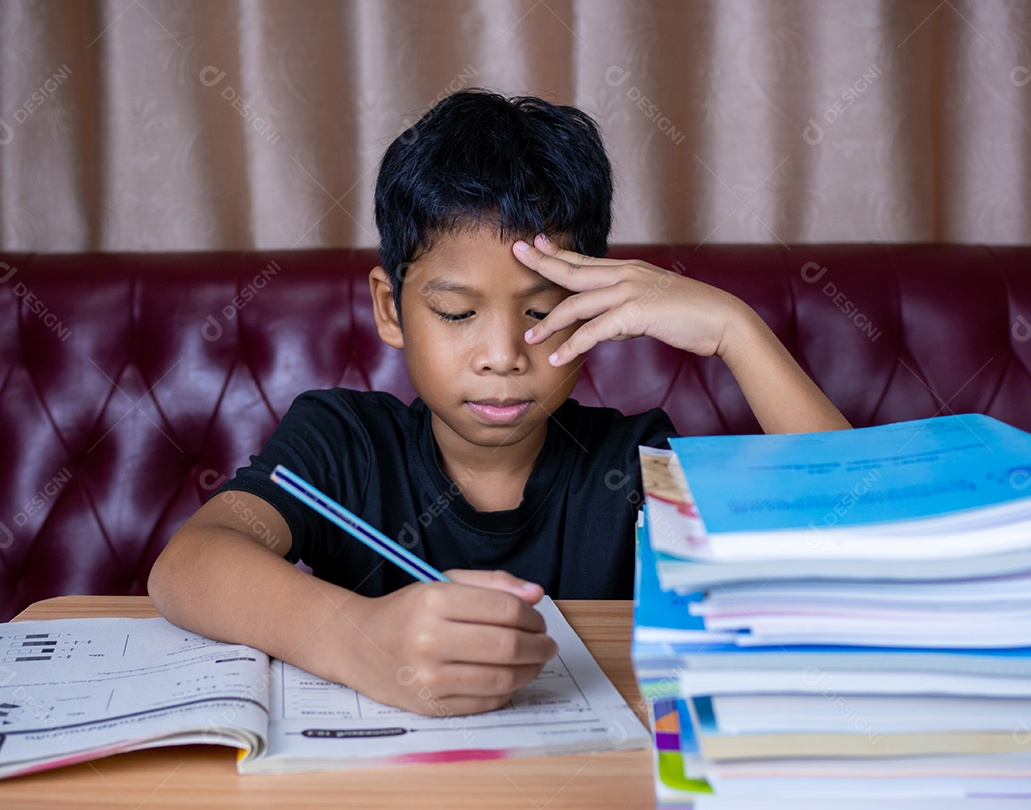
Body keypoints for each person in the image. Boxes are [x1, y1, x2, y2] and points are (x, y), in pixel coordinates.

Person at [148, 89, 850, 717]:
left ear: (591, 306)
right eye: (457, 313)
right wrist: (353, 637)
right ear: (391, 311)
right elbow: (191, 563)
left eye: (541, 311)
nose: (503, 354)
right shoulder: (342, 442)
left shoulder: (632, 463)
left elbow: (853, 538)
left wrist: (737, 331)